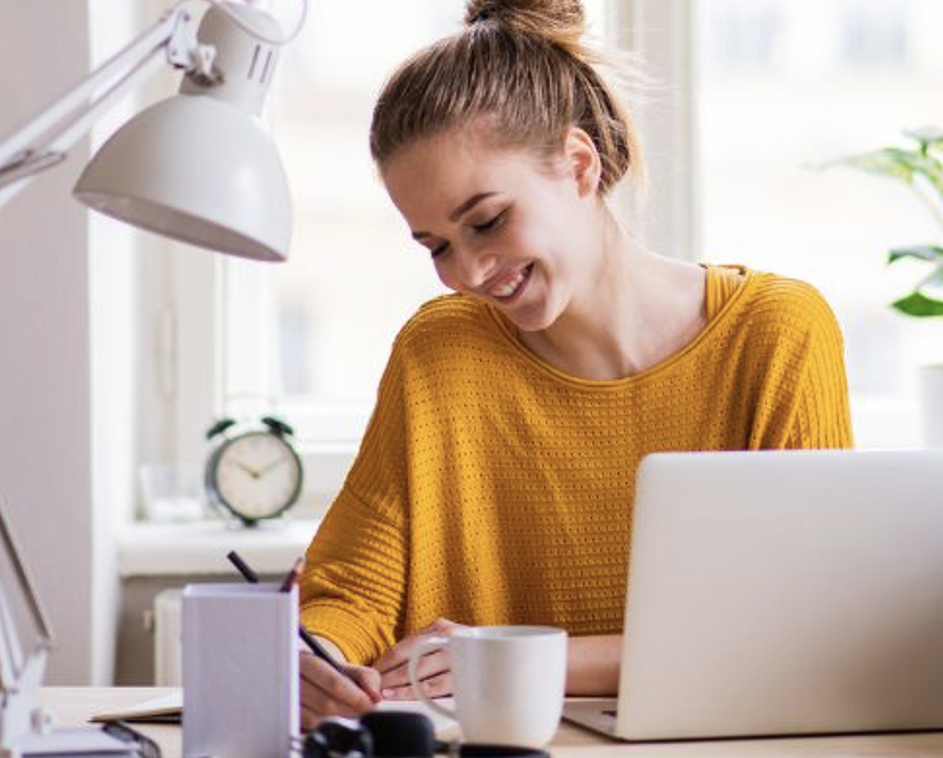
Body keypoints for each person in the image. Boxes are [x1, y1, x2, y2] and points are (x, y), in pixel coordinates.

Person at [295, 0, 854, 731]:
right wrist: (317, 656)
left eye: (487, 220)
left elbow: (799, 626)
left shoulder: (776, 335)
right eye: (435, 246)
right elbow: (354, 587)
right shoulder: (438, 354)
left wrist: (521, 659)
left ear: (579, 164)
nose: (467, 270)